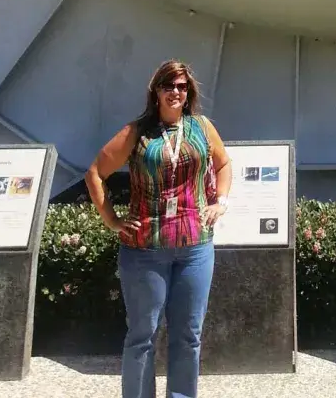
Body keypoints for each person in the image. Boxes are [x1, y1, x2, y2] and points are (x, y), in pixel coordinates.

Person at [85, 60, 232, 398]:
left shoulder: (202, 127)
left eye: (181, 87)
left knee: (189, 336)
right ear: (156, 92)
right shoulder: (137, 132)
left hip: (195, 247)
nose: (175, 92)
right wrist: (111, 219)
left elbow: (223, 163)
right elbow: (95, 173)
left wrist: (220, 201)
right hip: (144, 250)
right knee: (142, 336)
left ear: (188, 92)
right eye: (169, 86)